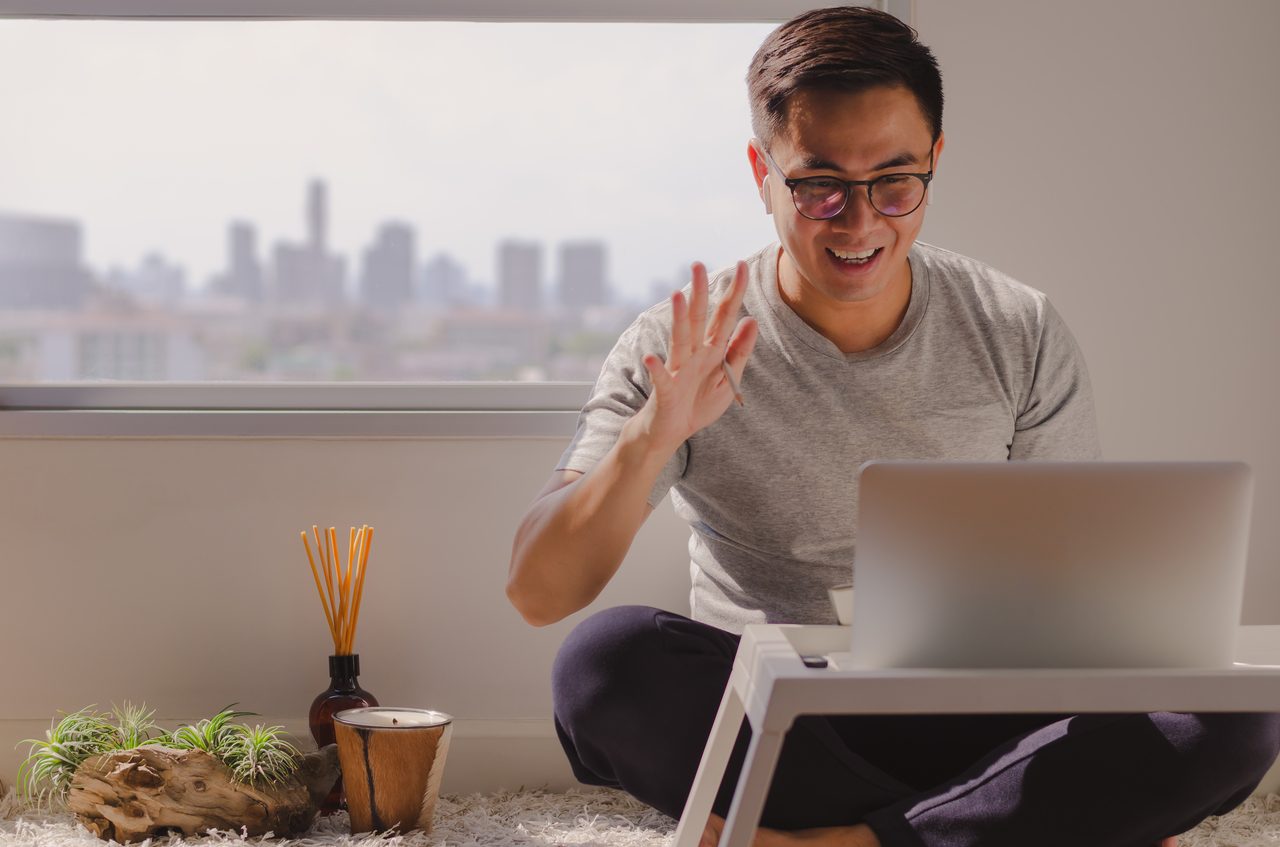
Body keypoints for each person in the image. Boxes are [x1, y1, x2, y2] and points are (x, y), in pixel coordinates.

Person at [506, 7, 1280, 847]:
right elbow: (539, 589)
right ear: (762, 172)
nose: (860, 221)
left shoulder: (1015, 326)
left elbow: (1083, 606)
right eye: (819, 184)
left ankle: (848, 841)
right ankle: (1000, 826)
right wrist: (653, 433)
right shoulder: (681, 344)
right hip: (787, 726)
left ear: (935, 162)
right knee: (602, 664)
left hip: (985, 716)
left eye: (895, 182)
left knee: (1233, 712)